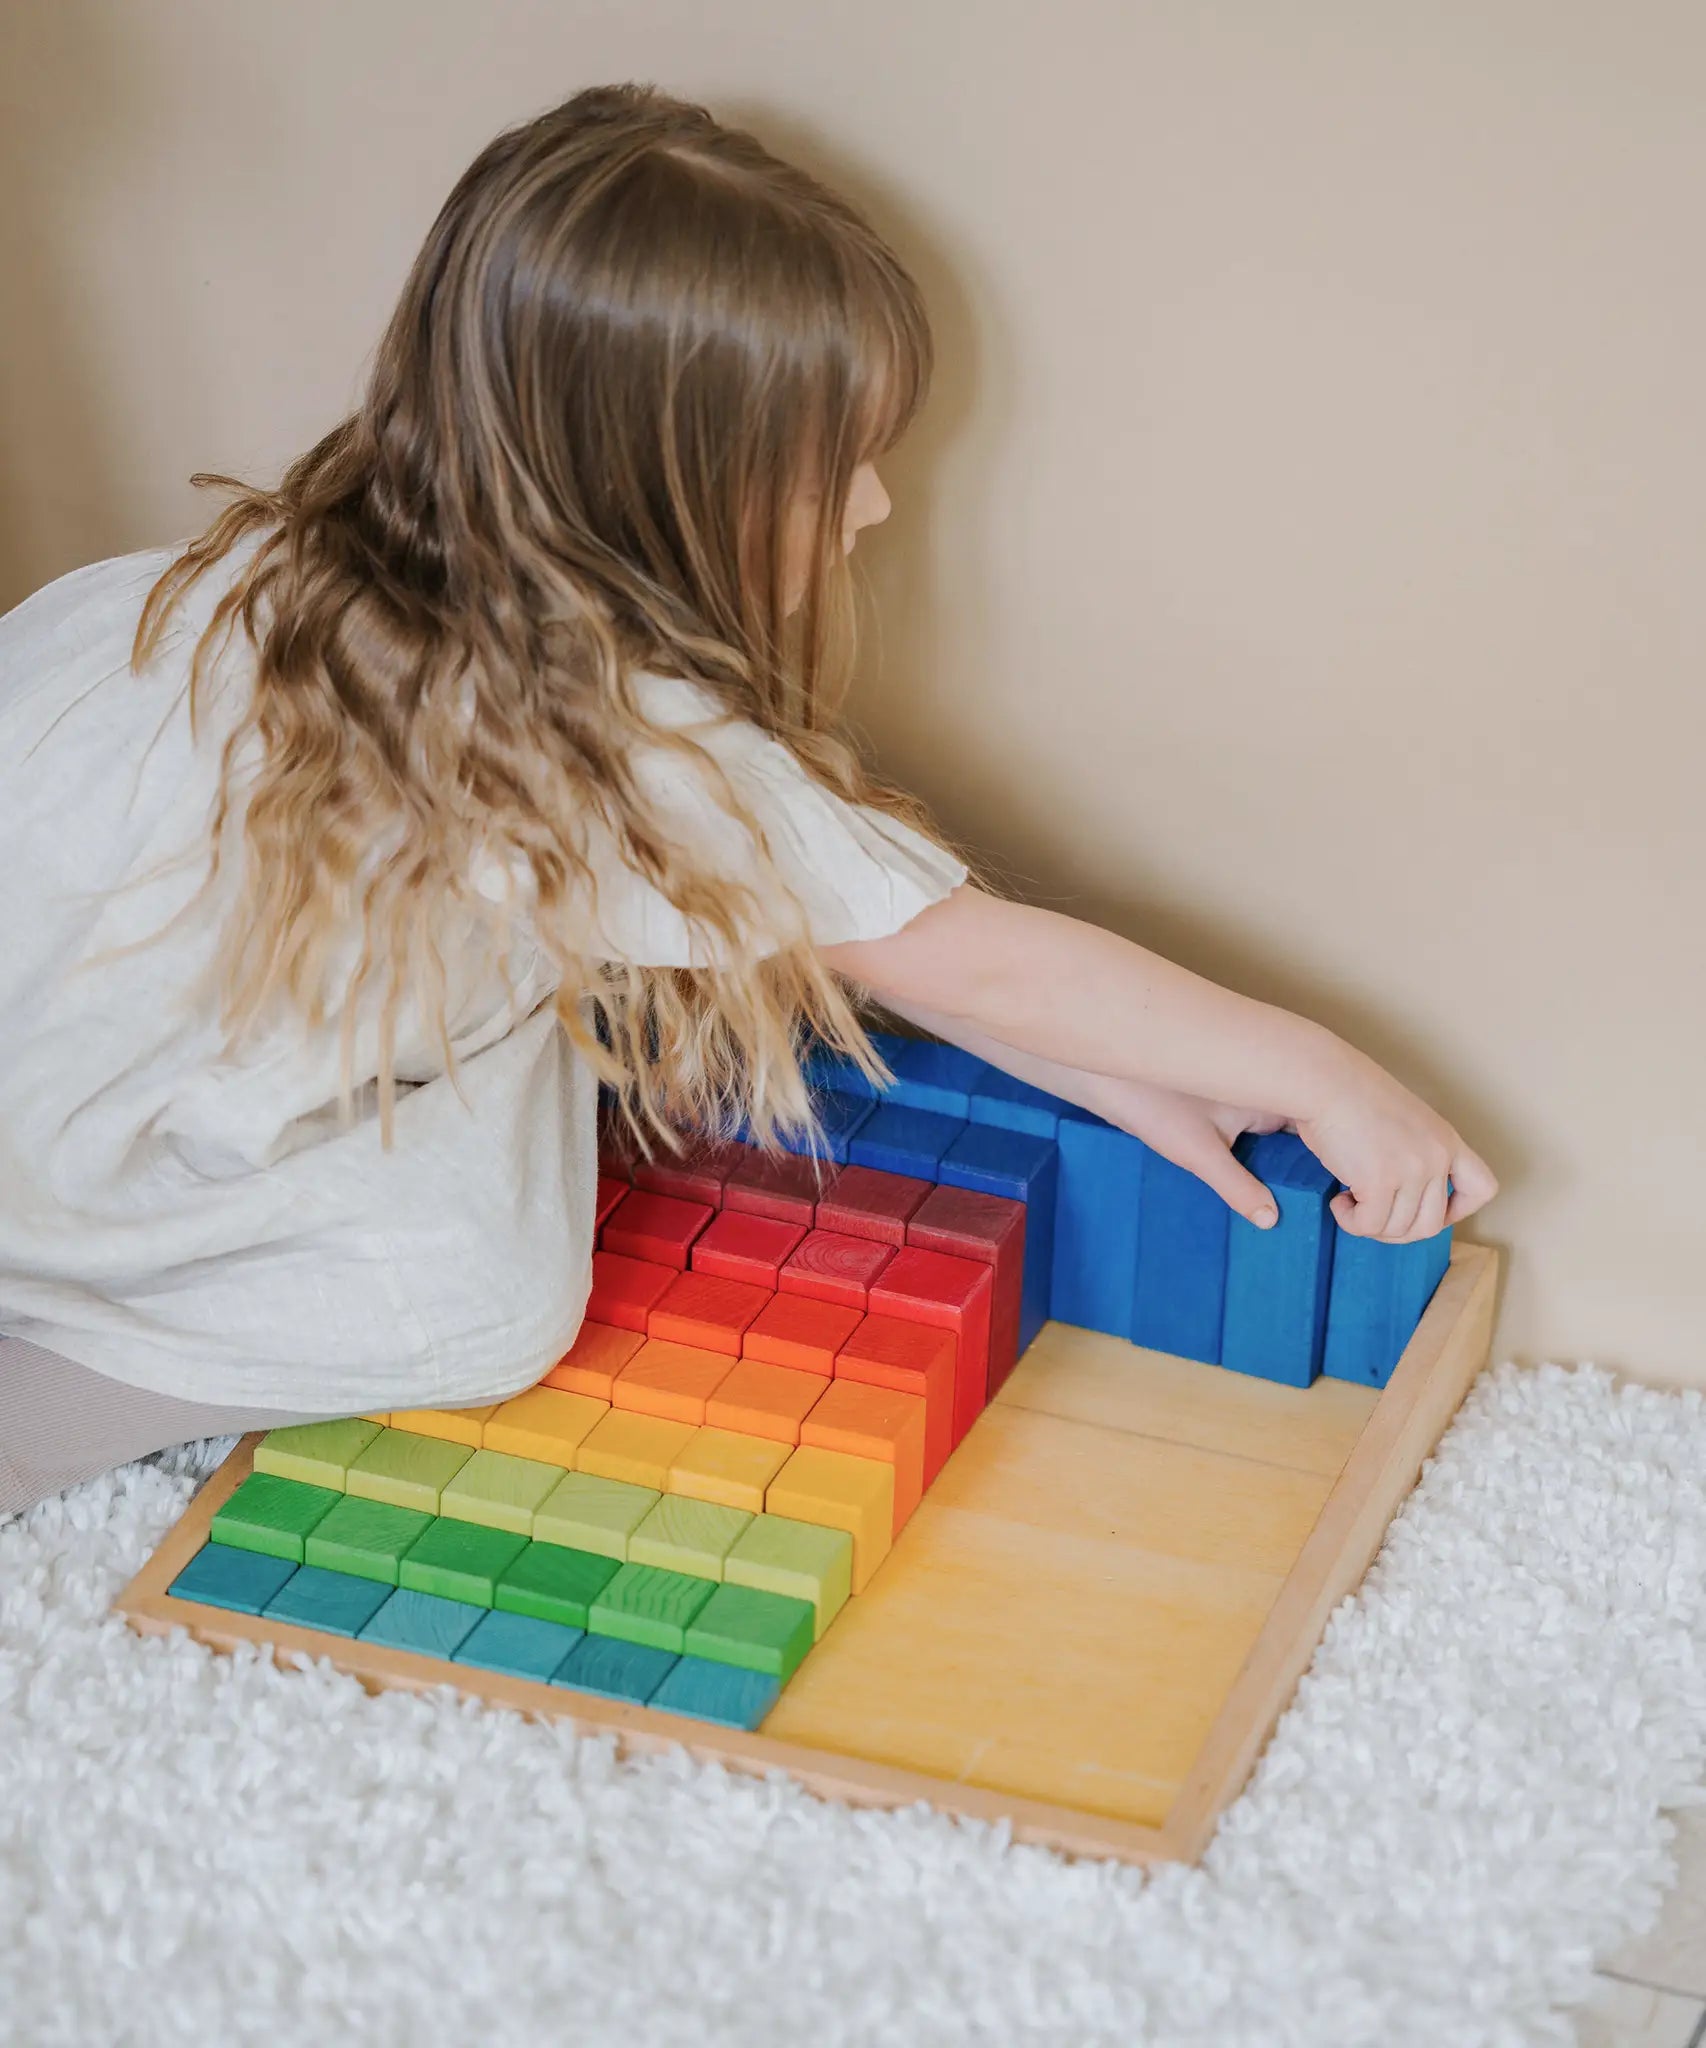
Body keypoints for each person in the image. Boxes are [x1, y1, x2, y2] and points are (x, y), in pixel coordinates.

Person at [0, 83, 1496, 1521]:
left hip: (61, 1056)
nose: (877, 510)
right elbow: (951, 949)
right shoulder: (601, 740)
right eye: (835, 468)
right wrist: (1323, 1076)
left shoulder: (274, 570)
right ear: (671, 483)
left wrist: (1116, 1073)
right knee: (480, 1294)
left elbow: (861, 927)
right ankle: (61, 1390)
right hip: (86, 1203)